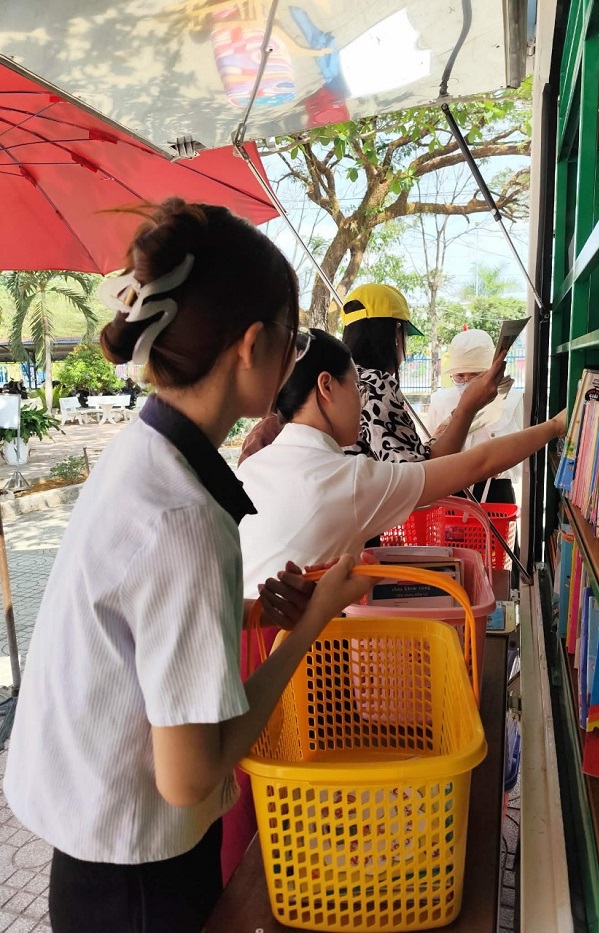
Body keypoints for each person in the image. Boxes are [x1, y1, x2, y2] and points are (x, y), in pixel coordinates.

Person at [3, 199, 373, 933]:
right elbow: (191, 777)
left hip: (97, 860)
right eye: (294, 339)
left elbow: (136, 635)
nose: (295, 358)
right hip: (141, 885)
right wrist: (308, 627)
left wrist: (254, 613)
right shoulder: (185, 516)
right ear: (253, 344)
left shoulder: (143, 452)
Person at [237, 328, 566, 597]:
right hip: (297, 651)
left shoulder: (253, 466)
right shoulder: (347, 480)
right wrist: (555, 426)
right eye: (357, 388)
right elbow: (481, 463)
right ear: (326, 386)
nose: (361, 401)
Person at [341, 283, 506, 463]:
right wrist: (468, 406)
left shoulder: (344, 381)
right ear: (396, 332)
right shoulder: (374, 385)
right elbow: (418, 472)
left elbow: (405, 458)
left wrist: (437, 438)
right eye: (406, 336)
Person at [427, 329, 524, 504]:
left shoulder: (513, 399)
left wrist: (501, 468)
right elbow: (428, 454)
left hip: (496, 491)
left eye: (475, 375)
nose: (467, 381)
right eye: (460, 375)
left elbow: (523, 451)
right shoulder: (439, 401)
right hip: (451, 491)